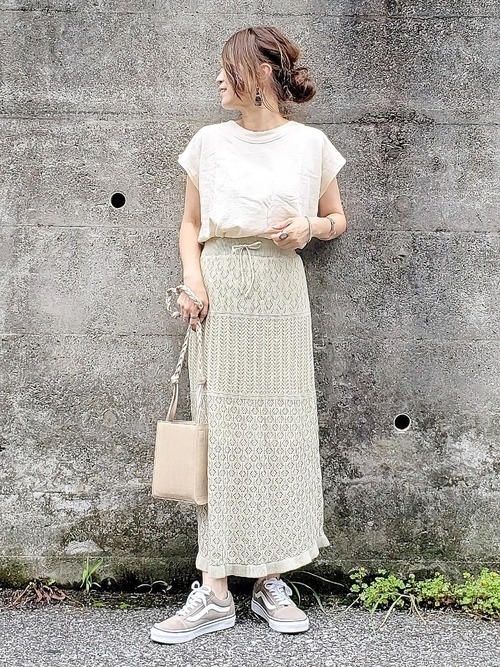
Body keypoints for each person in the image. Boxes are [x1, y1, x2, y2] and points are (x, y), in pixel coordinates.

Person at [150, 25, 347, 645]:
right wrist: (193, 279)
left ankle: (270, 580)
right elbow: (189, 225)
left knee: (280, 428)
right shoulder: (208, 142)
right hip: (221, 290)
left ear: (261, 74)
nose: (217, 79)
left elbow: (337, 219)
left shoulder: (311, 144)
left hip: (280, 291)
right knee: (219, 430)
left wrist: (309, 228)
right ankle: (212, 591)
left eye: (227, 67)